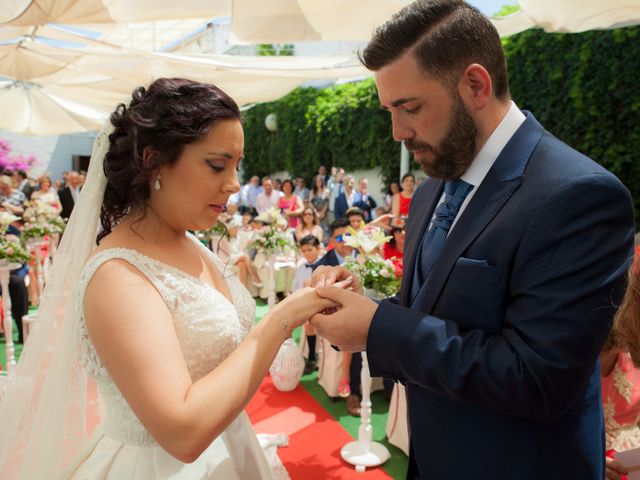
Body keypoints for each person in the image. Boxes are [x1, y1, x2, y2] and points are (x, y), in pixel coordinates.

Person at [307, 1, 635, 478]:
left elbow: (538, 378)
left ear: (476, 85)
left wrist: (378, 328)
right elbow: (435, 313)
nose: (398, 132)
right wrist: (362, 305)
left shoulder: (580, 195)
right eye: (389, 111)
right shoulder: (431, 189)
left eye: (410, 107)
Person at [0, 78, 335, 479]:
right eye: (217, 164)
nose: (233, 183)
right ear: (154, 161)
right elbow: (182, 433)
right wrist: (282, 319)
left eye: (236, 166)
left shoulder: (191, 241)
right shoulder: (117, 275)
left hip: (230, 447)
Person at [292, 234, 323, 375]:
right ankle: (310, 355)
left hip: (323, 302)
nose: (307, 253)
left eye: (310, 250)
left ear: (318, 248)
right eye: (304, 251)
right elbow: (296, 288)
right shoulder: (301, 268)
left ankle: (313, 356)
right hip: (307, 303)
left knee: (309, 320)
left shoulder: (325, 265)